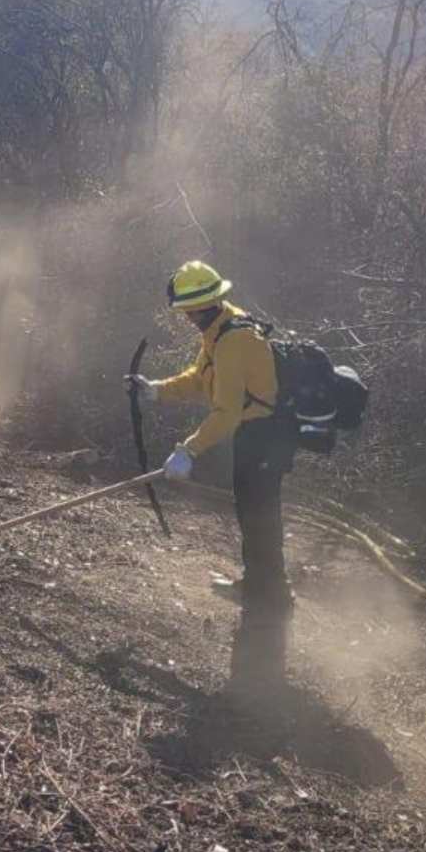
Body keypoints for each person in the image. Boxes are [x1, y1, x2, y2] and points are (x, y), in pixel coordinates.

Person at [126, 261, 292, 707]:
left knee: (260, 517)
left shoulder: (235, 338)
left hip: (264, 437)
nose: (185, 317)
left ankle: (271, 601)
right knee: (251, 513)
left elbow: (228, 412)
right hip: (253, 435)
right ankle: (258, 588)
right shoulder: (217, 330)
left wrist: (189, 450)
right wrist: (158, 389)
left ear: (204, 304)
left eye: (188, 310)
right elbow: (202, 381)